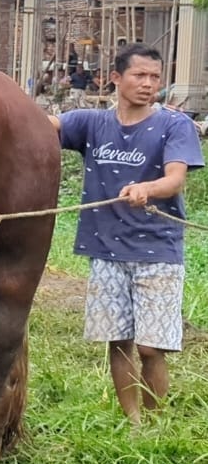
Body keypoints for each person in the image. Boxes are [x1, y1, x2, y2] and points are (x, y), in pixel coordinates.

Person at [49, 43, 204, 425]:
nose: (148, 84)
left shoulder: (174, 124)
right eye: (139, 75)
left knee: (151, 347)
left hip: (157, 251)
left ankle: (155, 423)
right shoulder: (92, 123)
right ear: (116, 78)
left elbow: (175, 179)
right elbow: (46, 126)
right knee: (118, 341)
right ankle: (133, 423)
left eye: (155, 77)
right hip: (105, 250)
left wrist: (147, 188)